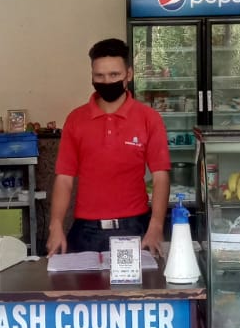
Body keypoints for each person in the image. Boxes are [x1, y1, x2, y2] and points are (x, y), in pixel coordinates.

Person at [47, 38, 170, 257]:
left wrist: (156, 225)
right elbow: (64, 178)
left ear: (128, 75)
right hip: (85, 231)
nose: (107, 81)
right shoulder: (76, 119)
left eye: (114, 75)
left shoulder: (149, 119)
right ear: (92, 76)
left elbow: (161, 176)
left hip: (135, 228)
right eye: (99, 76)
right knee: (83, 292)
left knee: (137, 292)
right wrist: (55, 226)